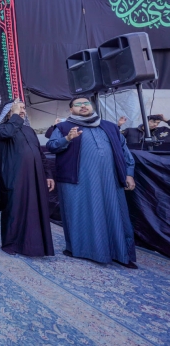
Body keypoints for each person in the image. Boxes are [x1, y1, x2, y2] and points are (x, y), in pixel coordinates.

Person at [46, 96, 137, 269]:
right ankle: (81, 250)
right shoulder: (63, 127)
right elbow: (52, 146)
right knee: (81, 215)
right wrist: (67, 138)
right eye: (78, 104)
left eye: (86, 103)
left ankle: (120, 252)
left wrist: (129, 174)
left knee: (115, 214)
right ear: (71, 110)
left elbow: (124, 151)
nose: (83, 106)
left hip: (110, 180)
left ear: (92, 106)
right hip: (77, 181)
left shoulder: (110, 126)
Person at [0, 99, 55, 257]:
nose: (22, 110)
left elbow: (40, 154)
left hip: (35, 177)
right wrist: (15, 115)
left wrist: (48, 174)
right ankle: (12, 244)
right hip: (14, 178)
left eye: (23, 108)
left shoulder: (29, 130)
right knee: (15, 210)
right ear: (9, 112)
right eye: (18, 108)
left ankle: (35, 245)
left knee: (36, 210)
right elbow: (7, 133)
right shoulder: (1, 128)